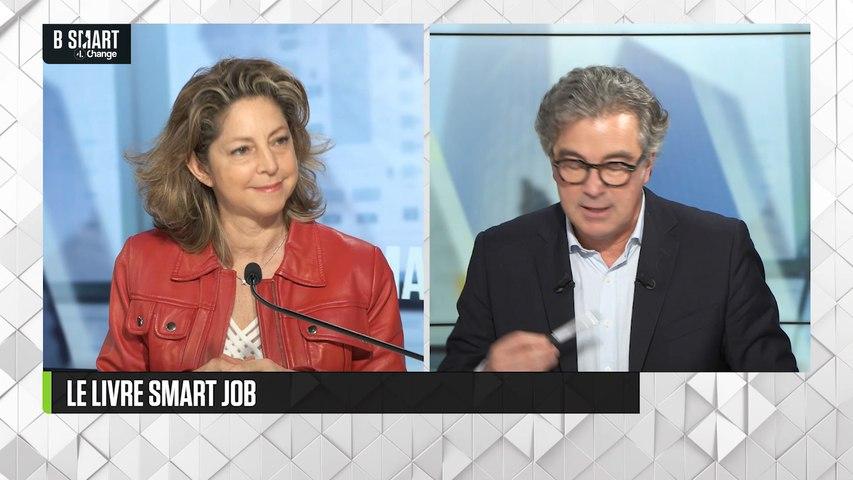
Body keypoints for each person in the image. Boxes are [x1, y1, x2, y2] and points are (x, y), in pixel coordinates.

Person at [438, 65, 797, 372]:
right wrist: (488, 375)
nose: (593, 188)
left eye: (615, 165)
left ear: (647, 167)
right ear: (553, 165)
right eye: (574, 164)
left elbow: (777, 393)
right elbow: (447, 398)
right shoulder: (499, 253)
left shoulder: (720, 249)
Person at [97, 58, 405, 372]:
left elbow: (391, 402)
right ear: (201, 168)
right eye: (243, 150)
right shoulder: (141, 261)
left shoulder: (362, 268)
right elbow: (108, 398)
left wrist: (297, 394)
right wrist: (188, 394)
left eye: (279, 141)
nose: (270, 165)